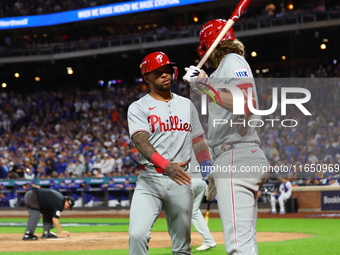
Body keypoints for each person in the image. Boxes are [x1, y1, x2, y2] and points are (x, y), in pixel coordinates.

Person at [183, 19, 268, 255]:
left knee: (238, 248)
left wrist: (206, 84)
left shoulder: (233, 60)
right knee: (247, 243)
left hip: (236, 155)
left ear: (208, 47)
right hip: (235, 156)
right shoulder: (225, 68)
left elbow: (247, 104)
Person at [127, 51, 213, 255]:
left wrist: (208, 167)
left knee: (182, 247)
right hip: (150, 178)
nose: (165, 75)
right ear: (147, 78)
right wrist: (166, 166)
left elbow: (198, 140)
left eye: (167, 70)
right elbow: (141, 141)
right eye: (158, 72)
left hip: (182, 180)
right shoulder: (139, 107)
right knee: (137, 235)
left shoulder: (186, 104)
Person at [190, 154, 216, 251]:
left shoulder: (184, 142)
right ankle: (208, 240)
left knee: (180, 211)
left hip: (190, 178)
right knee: (193, 211)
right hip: (202, 179)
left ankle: (183, 242)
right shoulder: (205, 145)